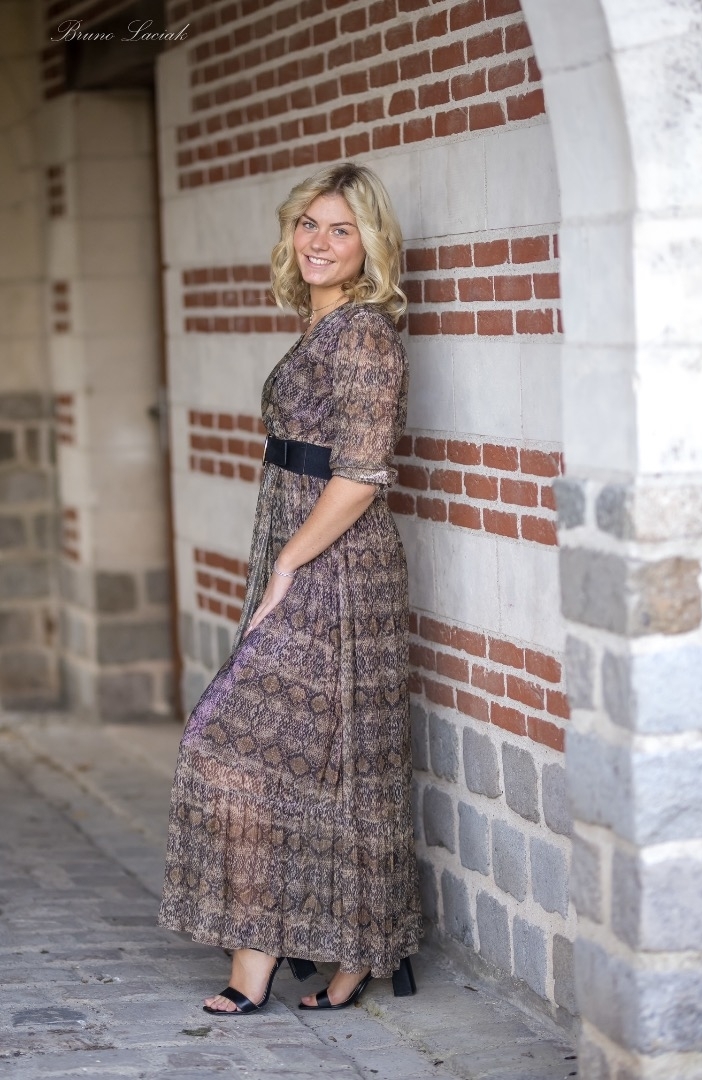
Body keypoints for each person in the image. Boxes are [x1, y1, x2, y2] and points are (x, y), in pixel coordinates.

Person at [158, 162, 422, 1016]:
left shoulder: (364, 336)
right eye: (310, 224)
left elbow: (362, 474)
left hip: (336, 569)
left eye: (342, 230)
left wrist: (288, 563)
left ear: (370, 245)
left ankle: (340, 949)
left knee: (228, 747)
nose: (320, 241)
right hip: (301, 551)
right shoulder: (322, 324)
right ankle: (283, 955)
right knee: (309, 763)